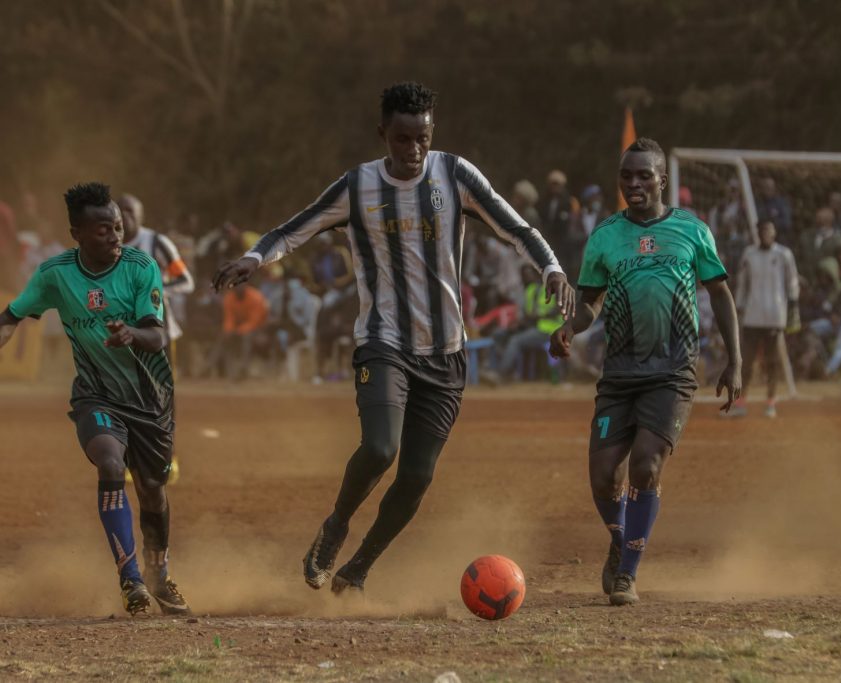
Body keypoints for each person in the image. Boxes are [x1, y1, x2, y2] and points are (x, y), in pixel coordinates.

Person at [212, 82, 573, 594]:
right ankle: (334, 527)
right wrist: (254, 258)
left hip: (447, 352)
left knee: (417, 477)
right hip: (384, 343)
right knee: (381, 448)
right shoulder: (357, 187)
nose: (412, 150)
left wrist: (552, 268)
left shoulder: (455, 174)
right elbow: (296, 228)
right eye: (401, 139)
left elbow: (517, 228)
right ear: (382, 133)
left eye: (421, 138)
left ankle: (357, 570)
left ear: (432, 134)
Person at [549, 137, 741, 606]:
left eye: (643, 175)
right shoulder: (605, 235)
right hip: (619, 375)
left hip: (673, 371)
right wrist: (569, 328)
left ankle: (626, 576)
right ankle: (623, 538)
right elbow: (591, 302)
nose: (634, 183)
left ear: (662, 180)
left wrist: (735, 361)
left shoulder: (692, 230)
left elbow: (719, 293)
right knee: (601, 476)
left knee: (646, 465)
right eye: (627, 176)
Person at [0, 182, 189, 616]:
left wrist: (131, 335)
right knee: (109, 463)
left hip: (150, 400)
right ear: (77, 233)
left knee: (154, 491)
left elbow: (157, 335)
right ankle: (131, 579)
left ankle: (159, 573)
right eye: (103, 229)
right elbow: (11, 316)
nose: (115, 236)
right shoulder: (55, 274)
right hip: (95, 395)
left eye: (118, 227)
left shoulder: (141, 267)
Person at [118, 194, 194, 484]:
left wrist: (157, 288)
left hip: (159, 332)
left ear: (140, 215)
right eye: (119, 211)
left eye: (130, 211)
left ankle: (167, 458)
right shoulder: (111, 247)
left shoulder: (156, 243)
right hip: (124, 334)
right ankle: (130, 459)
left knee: (160, 397)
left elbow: (186, 280)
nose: (124, 217)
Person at [732, 220, 799, 418]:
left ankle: (771, 402)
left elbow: (792, 280)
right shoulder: (749, 254)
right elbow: (743, 283)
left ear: (774, 232)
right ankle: (741, 402)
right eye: (762, 231)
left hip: (775, 315)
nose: (766, 234)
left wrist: (793, 306)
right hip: (752, 315)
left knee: (772, 362)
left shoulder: (784, 254)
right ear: (758, 233)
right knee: (747, 361)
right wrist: (739, 306)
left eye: (769, 230)